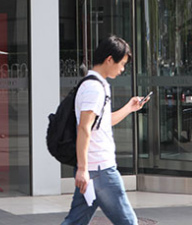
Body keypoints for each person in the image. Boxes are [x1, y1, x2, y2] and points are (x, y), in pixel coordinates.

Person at [62, 35, 147, 225]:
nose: (123, 69)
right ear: (109, 59)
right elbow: (84, 127)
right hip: (100, 170)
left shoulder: (95, 84)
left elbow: (101, 123)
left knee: (75, 221)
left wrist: (129, 107)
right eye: (122, 64)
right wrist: (83, 169)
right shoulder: (94, 88)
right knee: (129, 222)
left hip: (93, 169)